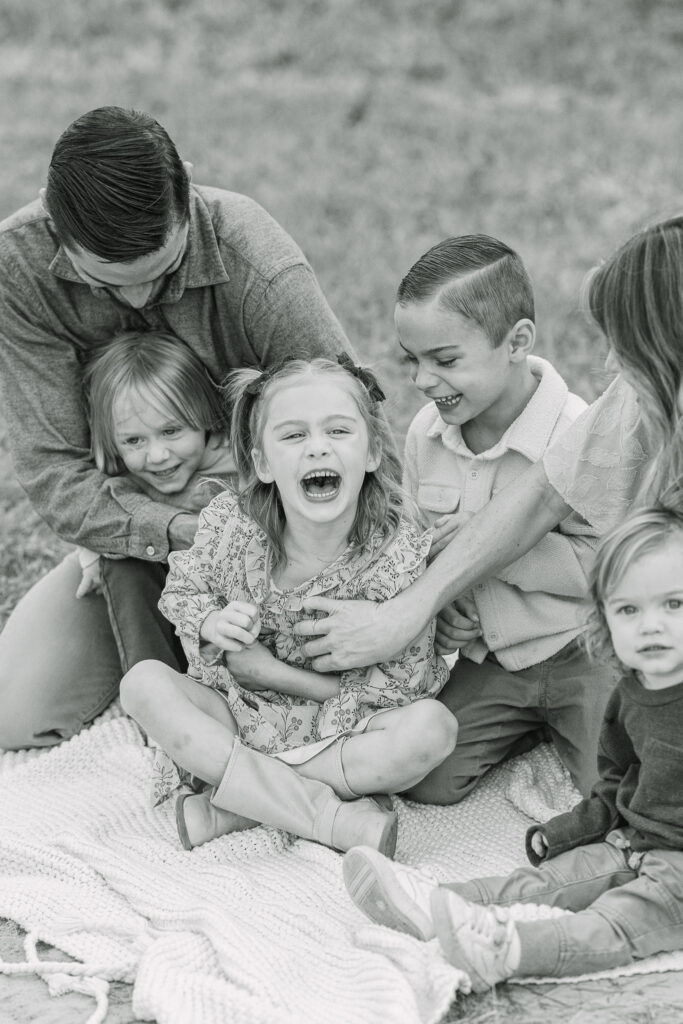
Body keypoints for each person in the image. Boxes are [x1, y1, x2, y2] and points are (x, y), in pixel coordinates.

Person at [0, 105, 353, 750]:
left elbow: (354, 424)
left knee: (326, 673)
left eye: (161, 274)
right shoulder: (17, 267)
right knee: (15, 715)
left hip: (279, 533)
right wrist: (186, 533)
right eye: (107, 283)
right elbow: (55, 474)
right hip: (133, 531)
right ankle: (168, 701)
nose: (139, 302)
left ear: (186, 192)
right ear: (57, 227)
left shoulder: (261, 264)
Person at [293, 215, 683, 684]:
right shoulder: (633, 400)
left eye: (631, 346)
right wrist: (416, 608)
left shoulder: (572, 416)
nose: (611, 364)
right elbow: (543, 494)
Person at [119, 357, 457, 855]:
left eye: (338, 431)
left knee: (431, 729)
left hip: (340, 733)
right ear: (261, 463)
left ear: (371, 452)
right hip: (235, 720)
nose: (317, 446)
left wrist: (274, 674)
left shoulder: (398, 555)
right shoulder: (232, 529)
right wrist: (214, 624)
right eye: (293, 436)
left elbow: (401, 690)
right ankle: (323, 817)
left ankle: (234, 805)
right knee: (142, 684)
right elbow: (185, 594)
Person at [342, 505, 683, 990]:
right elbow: (616, 783)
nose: (651, 625)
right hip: (631, 844)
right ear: (605, 621)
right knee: (551, 881)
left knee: (614, 922)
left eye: (674, 605)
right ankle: (430, 900)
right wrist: (569, 830)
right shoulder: (627, 696)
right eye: (630, 609)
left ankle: (509, 949)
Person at [395, 234, 616, 800]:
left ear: (516, 341)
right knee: (425, 782)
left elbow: (606, 565)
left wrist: (495, 550)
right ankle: (525, 726)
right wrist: (442, 609)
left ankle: (567, 725)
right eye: (412, 360)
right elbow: (417, 545)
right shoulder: (426, 433)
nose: (423, 380)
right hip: (491, 659)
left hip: (581, 652)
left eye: (444, 360)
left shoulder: (577, 432)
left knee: (612, 788)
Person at [75, 330, 236, 604]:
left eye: (171, 431)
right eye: (134, 440)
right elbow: (99, 523)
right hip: (187, 616)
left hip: (259, 609)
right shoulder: (130, 485)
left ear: (205, 415)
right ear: (112, 442)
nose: (158, 455)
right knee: (120, 567)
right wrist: (91, 561)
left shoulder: (245, 462)